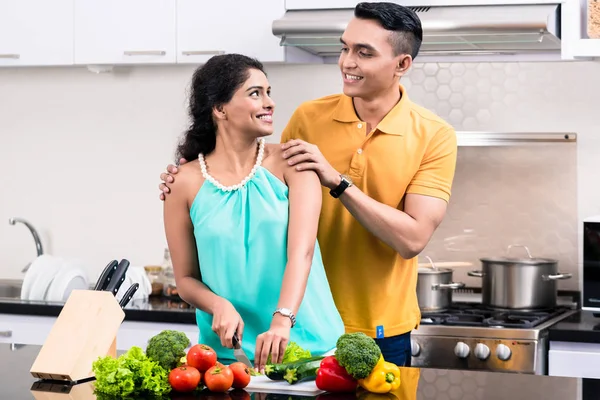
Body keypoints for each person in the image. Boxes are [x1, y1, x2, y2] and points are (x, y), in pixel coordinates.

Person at [159, 2, 457, 367]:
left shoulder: (434, 136)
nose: (347, 61)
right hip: (289, 324)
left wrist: (337, 182)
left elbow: (412, 239)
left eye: (363, 53)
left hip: (378, 326)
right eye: (345, 47)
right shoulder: (308, 119)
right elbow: (253, 172)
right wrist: (191, 175)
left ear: (402, 65)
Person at [162, 53, 344, 372]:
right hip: (229, 358)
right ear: (219, 109)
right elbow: (186, 278)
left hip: (309, 348)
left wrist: (282, 319)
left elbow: (301, 254)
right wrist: (217, 304)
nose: (269, 102)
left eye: (268, 92)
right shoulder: (182, 183)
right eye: (255, 93)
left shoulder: (295, 163)